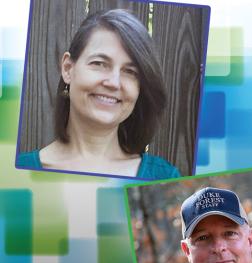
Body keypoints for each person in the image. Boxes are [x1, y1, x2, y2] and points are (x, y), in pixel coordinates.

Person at [16, 9, 180, 179]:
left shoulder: (164, 178)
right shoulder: (17, 172)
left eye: (130, 71)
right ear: (68, 69)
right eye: (99, 63)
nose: (113, 83)